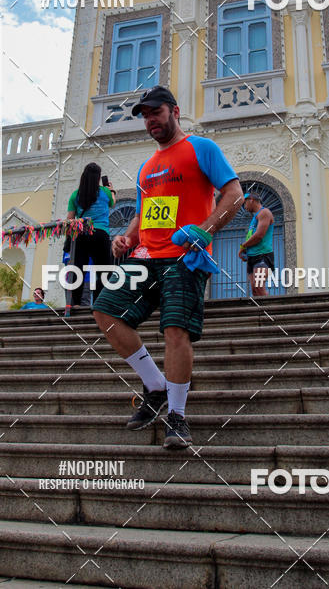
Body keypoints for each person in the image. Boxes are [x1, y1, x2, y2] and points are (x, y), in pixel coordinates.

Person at [93, 85, 243, 449]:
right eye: (145, 116)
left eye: (155, 112)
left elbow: (234, 195)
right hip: (146, 256)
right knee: (105, 312)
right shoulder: (147, 167)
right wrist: (128, 237)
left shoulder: (201, 148)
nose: (150, 121)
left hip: (183, 257)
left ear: (174, 111)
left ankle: (177, 415)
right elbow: (147, 211)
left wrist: (203, 232)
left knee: (175, 331)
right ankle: (156, 385)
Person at [66, 163, 115, 316]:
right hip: (100, 234)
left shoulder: (75, 195)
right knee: (104, 269)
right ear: (98, 178)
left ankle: (76, 304)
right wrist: (112, 189)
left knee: (78, 267)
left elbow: (70, 220)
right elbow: (113, 202)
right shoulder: (105, 192)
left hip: (82, 234)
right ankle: (100, 302)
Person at [239, 192, 275, 297]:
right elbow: (252, 237)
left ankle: (269, 311)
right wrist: (246, 250)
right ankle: (260, 312)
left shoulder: (264, 212)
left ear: (251, 200)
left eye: (244, 203)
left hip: (262, 255)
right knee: (255, 290)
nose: (244, 207)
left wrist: (243, 246)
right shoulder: (254, 218)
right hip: (252, 256)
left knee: (259, 285)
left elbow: (259, 235)